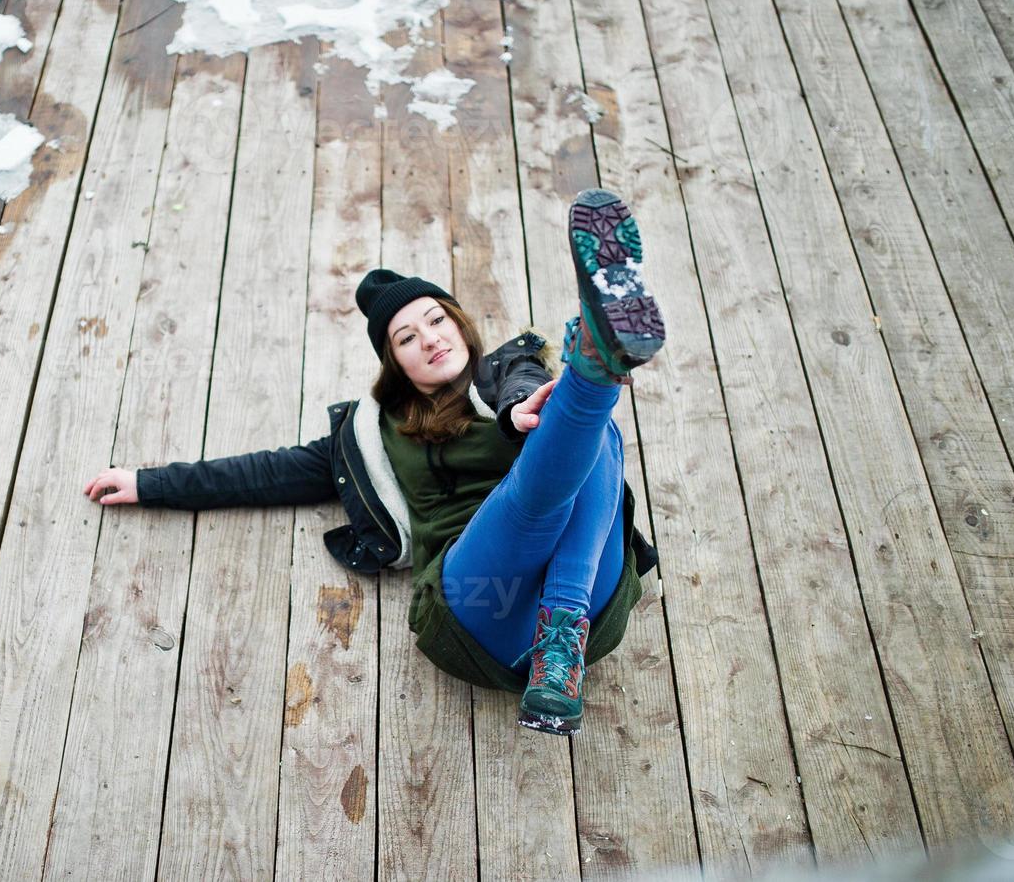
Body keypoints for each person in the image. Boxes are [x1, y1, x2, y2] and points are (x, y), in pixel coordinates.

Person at [83, 189, 665, 734]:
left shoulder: (512, 372)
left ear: (459, 324)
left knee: (589, 433)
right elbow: (263, 472)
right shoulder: (370, 436)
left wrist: (517, 416)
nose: (430, 339)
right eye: (407, 337)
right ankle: (594, 362)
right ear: (395, 363)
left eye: (436, 319)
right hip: (488, 602)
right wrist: (147, 482)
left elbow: (522, 390)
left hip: (589, 596)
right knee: (544, 480)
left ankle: (594, 366)